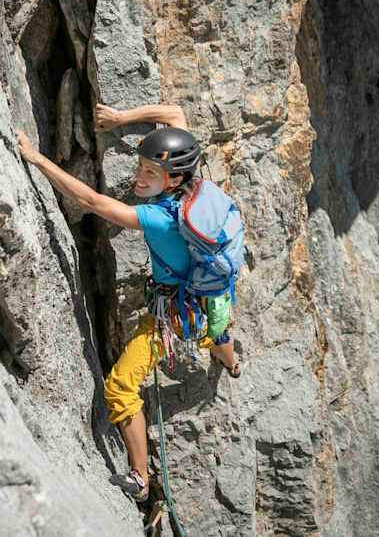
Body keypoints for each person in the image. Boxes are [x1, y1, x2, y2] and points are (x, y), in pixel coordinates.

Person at [15, 103, 240, 503]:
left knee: (120, 387)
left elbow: (93, 202)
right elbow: (174, 113)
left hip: (172, 317)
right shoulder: (195, 180)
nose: (139, 177)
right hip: (214, 292)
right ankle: (230, 360)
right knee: (216, 329)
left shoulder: (157, 218)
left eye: (150, 173)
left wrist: (36, 159)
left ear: (173, 180)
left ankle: (141, 477)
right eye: (141, 166)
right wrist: (121, 119)